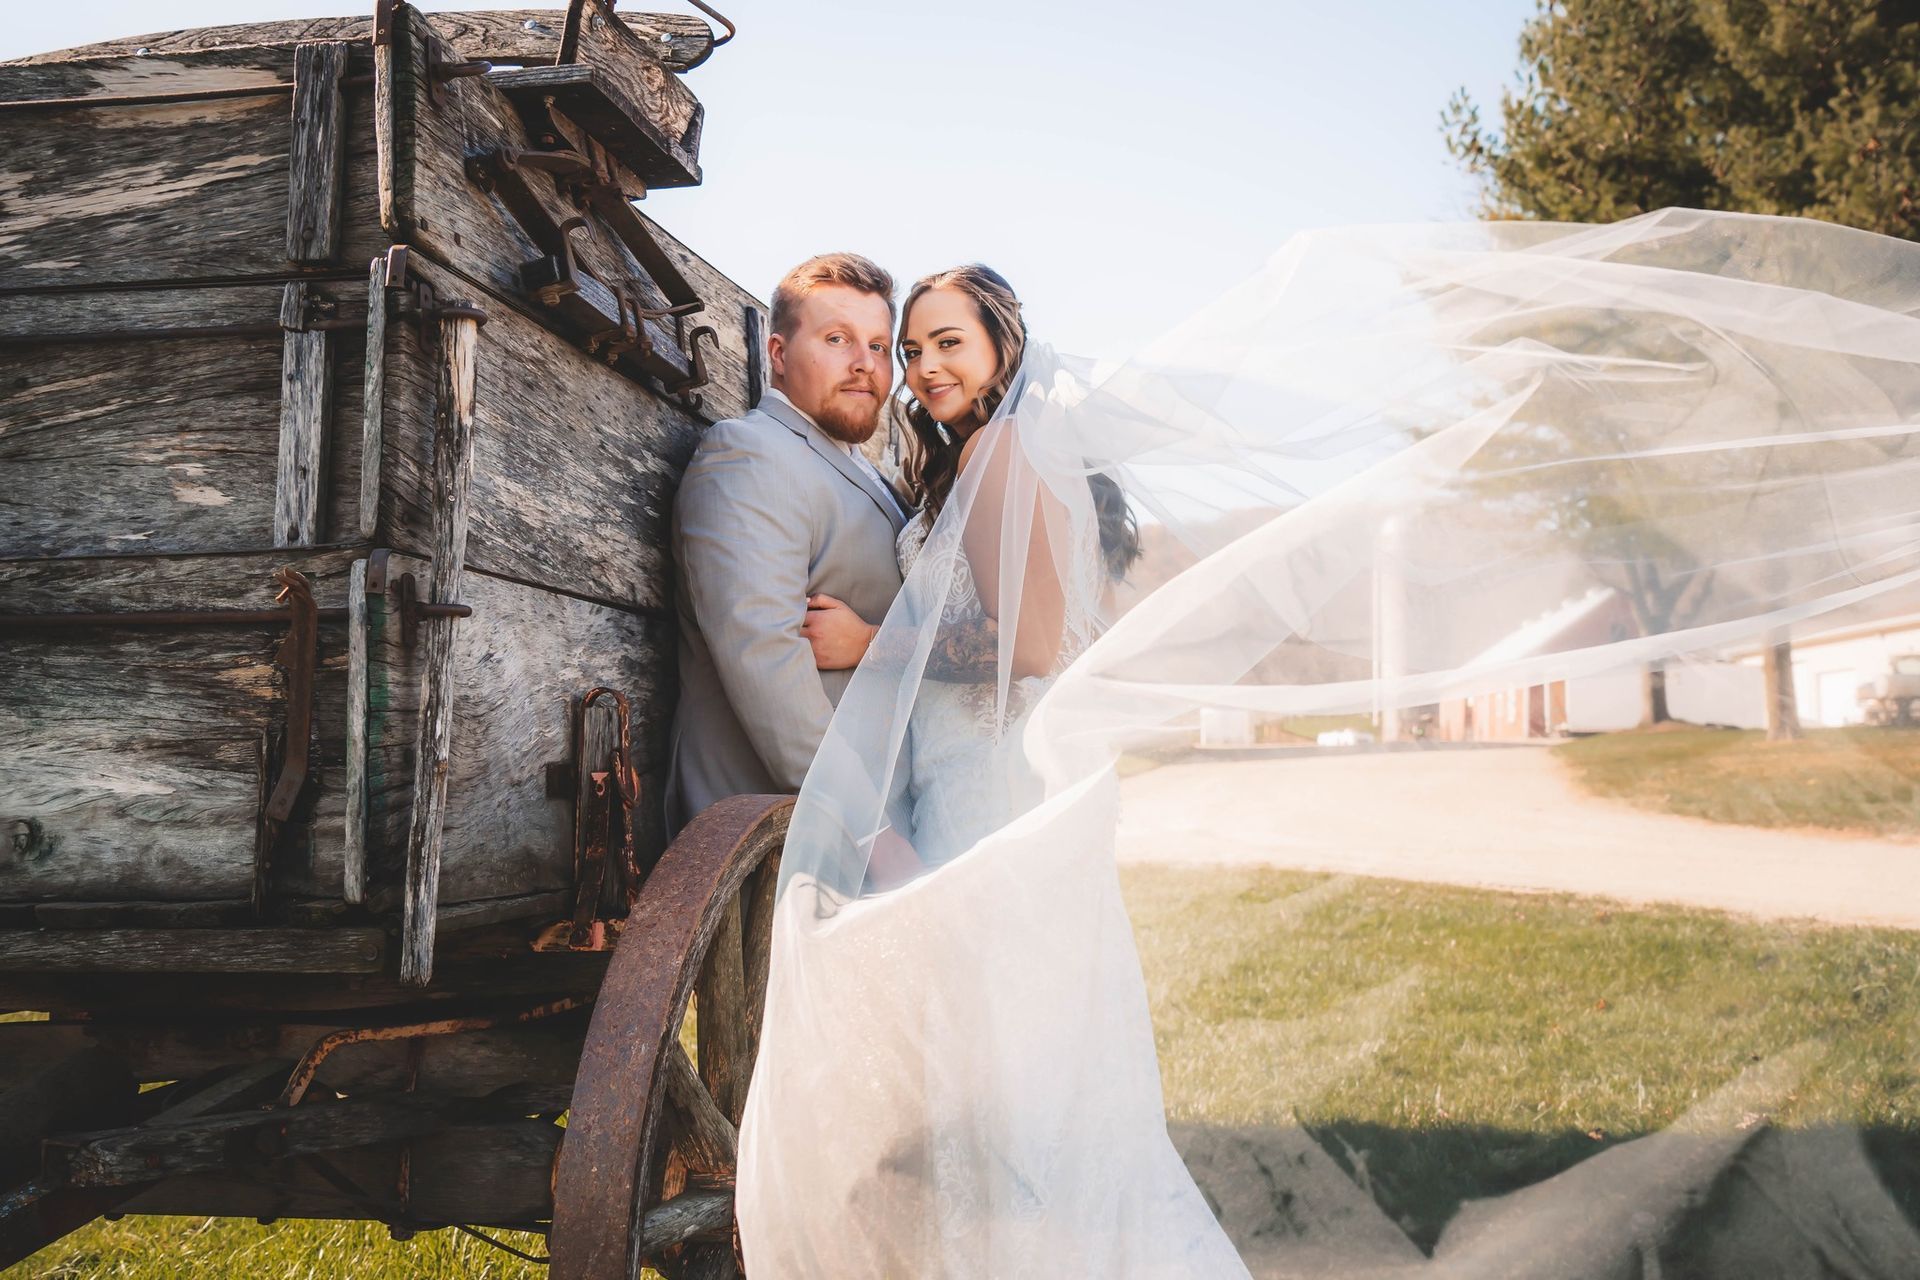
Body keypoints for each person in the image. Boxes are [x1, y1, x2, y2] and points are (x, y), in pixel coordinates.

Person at [734, 214, 1920, 1277]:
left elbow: (1033, 642)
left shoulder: (1002, 455)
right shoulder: (986, 464)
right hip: (978, 775)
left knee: (1005, 1053)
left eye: (950, 341)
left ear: (1005, 349)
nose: (925, 365)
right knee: (1009, 1050)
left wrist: (868, 639)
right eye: (915, 347)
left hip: (985, 780)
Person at [663, 252, 911, 837]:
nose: (863, 365)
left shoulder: (862, 468)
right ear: (777, 355)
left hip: (872, 812)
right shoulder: (750, 455)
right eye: (837, 339)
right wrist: (872, 837)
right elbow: (768, 662)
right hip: (788, 836)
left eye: (878, 346)